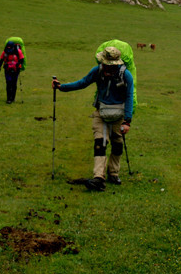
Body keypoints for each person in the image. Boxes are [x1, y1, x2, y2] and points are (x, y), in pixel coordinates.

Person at [53, 45, 134, 191]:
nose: (106, 67)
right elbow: (82, 83)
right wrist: (61, 87)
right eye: (104, 63)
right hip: (100, 113)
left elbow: (129, 97)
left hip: (119, 116)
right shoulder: (97, 71)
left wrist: (127, 121)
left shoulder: (126, 75)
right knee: (100, 143)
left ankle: (113, 173)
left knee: (117, 144)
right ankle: (98, 178)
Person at [0, 38, 25, 104]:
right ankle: (9, 99)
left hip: (16, 70)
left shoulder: (18, 51)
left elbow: (22, 59)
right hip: (7, 70)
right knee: (8, 83)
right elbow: (1, 60)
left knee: (14, 83)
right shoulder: (5, 52)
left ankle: (13, 98)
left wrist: (19, 65)